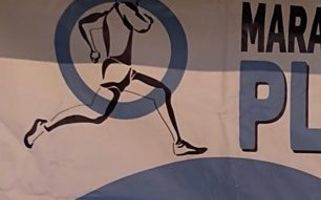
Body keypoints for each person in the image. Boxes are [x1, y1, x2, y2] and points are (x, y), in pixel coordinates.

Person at [23, 0, 205, 156]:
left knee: (159, 93)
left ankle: (178, 143)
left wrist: (93, 49)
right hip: (116, 69)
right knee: (97, 114)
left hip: (121, 68)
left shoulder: (110, 11)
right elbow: (143, 26)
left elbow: (84, 24)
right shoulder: (124, 8)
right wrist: (145, 16)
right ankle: (45, 126)